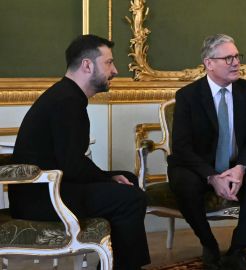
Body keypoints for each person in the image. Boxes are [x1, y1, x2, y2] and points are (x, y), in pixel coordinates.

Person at [9, 35, 150, 270]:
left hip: (49, 189)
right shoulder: (66, 101)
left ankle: (114, 264)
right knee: (131, 198)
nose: (115, 70)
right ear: (87, 65)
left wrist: (110, 177)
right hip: (43, 198)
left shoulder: (66, 96)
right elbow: (72, 164)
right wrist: (107, 178)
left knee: (129, 180)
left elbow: (70, 162)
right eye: (109, 63)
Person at [167, 34, 246, 270]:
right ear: (209, 63)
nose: (236, 62)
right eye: (228, 58)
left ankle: (238, 250)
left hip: (234, 165)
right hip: (197, 167)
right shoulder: (188, 96)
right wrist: (212, 176)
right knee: (182, 180)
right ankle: (210, 246)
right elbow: (182, 147)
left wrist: (240, 167)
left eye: (237, 56)